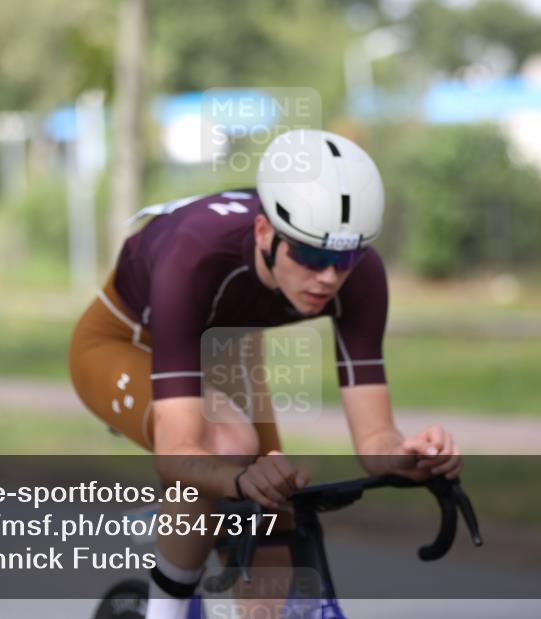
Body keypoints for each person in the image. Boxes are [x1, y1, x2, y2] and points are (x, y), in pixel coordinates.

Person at [69, 129, 462, 619]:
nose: (329, 276)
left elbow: (374, 441)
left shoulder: (360, 276)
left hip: (225, 346)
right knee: (228, 444)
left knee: (273, 563)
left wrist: (406, 456)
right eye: (311, 255)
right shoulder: (194, 256)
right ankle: (163, 613)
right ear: (263, 234)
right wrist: (233, 479)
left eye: (345, 258)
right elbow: (178, 454)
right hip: (123, 344)